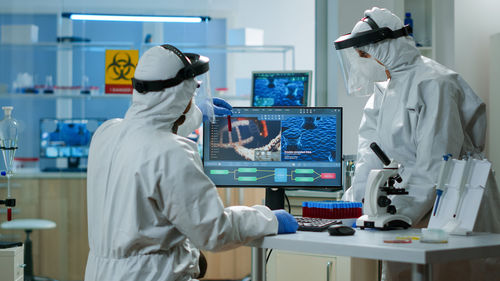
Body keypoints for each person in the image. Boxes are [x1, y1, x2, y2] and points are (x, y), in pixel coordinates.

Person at [84, 44, 298, 281]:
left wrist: (198, 114)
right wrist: (268, 219)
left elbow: (149, 128)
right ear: (180, 93)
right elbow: (215, 231)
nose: (194, 98)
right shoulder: (173, 152)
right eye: (192, 93)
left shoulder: (106, 133)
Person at [334, 7, 500, 281]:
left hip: (450, 207)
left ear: (387, 46)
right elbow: (369, 163)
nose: (361, 62)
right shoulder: (381, 93)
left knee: (452, 274)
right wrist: (347, 210)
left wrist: (389, 216)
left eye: (364, 54)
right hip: (405, 211)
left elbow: (436, 165)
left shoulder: (435, 83)